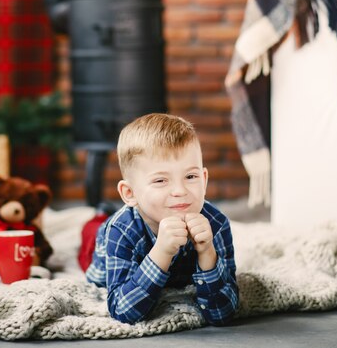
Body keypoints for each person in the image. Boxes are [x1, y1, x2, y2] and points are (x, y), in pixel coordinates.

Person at [86, 113, 239, 325]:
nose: (179, 190)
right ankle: (96, 219)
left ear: (204, 179)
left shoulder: (216, 223)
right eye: (160, 180)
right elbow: (123, 311)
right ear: (129, 193)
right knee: (91, 251)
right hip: (107, 255)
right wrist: (162, 251)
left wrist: (207, 253)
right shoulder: (121, 230)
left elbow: (223, 313)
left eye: (190, 177)